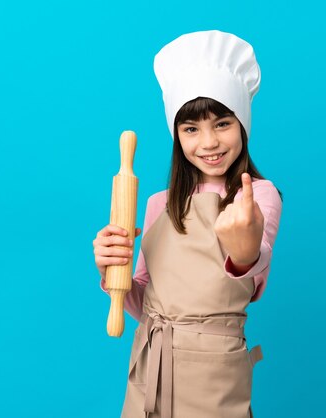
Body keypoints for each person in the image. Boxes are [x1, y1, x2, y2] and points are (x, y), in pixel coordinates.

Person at [93, 30, 282, 418]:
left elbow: (253, 267)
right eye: (191, 129)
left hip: (214, 373)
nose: (209, 142)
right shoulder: (158, 203)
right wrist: (114, 270)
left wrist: (243, 247)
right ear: (177, 136)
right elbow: (146, 304)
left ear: (243, 125)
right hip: (151, 364)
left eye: (223, 124)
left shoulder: (258, 197)